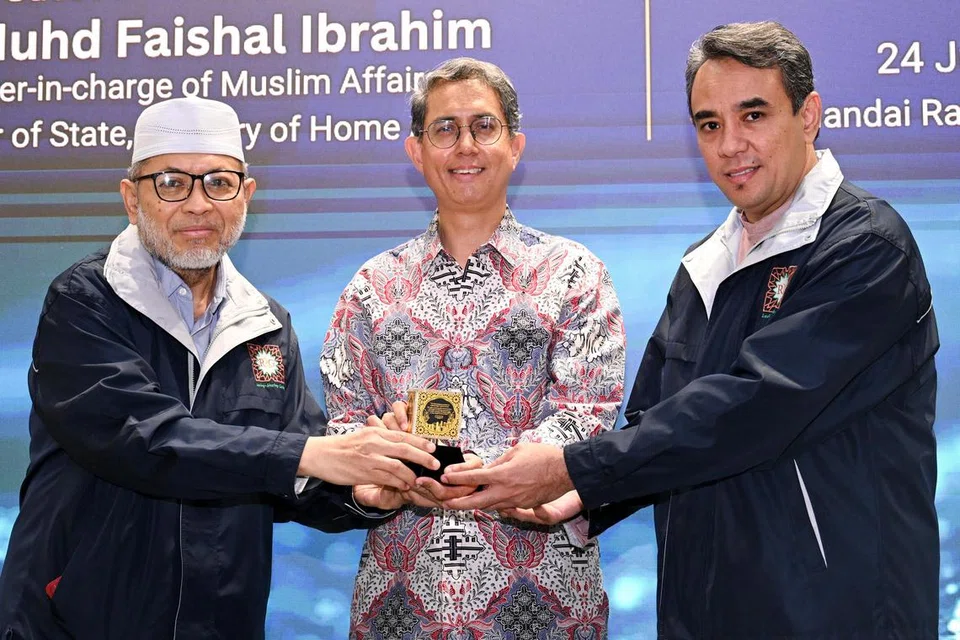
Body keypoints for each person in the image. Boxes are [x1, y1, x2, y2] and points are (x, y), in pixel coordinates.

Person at [442, 22, 940, 639]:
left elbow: (751, 409)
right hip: (703, 613)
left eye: (753, 115)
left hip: (834, 618)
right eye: (709, 124)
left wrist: (574, 467)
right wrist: (585, 498)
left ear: (808, 115)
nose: (730, 144)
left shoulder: (867, 247)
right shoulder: (705, 264)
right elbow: (657, 421)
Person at [0, 96, 440, 640]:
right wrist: (313, 455)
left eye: (219, 183)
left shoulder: (266, 325)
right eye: (171, 183)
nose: (198, 204)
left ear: (246, 196)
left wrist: (359, 493)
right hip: (76, 624)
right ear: (131, 199)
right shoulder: (85, 301)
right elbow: (145, 440)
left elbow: (292, 468)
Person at [319, 57, 626, 638]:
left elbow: (588, 415)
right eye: (445, 129)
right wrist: (377, 469)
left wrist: (498, 474)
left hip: (545, 604)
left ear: (515, 146)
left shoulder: (573, 274)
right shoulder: (372, 287)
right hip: (400, 605)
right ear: (416, 152)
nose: (465, 146)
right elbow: (346, 422)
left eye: (484, 127)